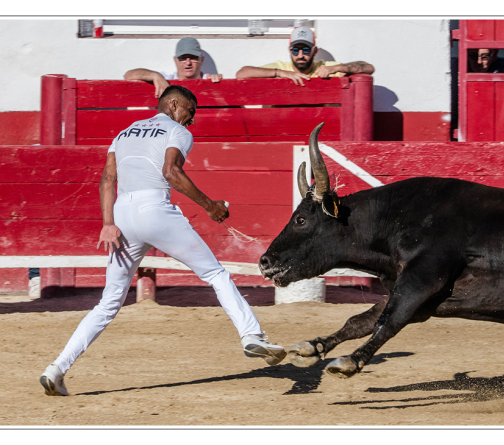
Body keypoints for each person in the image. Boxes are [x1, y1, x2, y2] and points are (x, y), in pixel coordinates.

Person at [40, 85, 286, 396]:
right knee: (215, 274)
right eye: (190, 112)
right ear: (173, 104)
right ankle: (251, 335)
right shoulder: (176, 131)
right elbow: (170, 172)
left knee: (108, 303)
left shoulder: (126, 131)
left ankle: (57, 368)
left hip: (123, 215)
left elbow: (107, 179)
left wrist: (107, 224)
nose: (190, 120)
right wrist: (210, 206)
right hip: (154, 209)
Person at [236, 26, 374, 86]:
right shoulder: (281, 67)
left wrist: (335, 68)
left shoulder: (324, 67)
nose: (300, 55)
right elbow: (242, 73)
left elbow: (369, 68)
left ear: (314, 51)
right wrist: (280, 73)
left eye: (306, 50)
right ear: (290, 51)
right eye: (296, 50)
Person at [124, 37, 223, 98]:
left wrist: (218, 85)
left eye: (193, 58)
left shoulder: (210, 80)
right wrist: (154, 75)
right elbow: (128, 75)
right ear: (175, 60)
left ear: (202, 60)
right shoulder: (165, 79)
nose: (188, 63)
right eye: (183, 58)